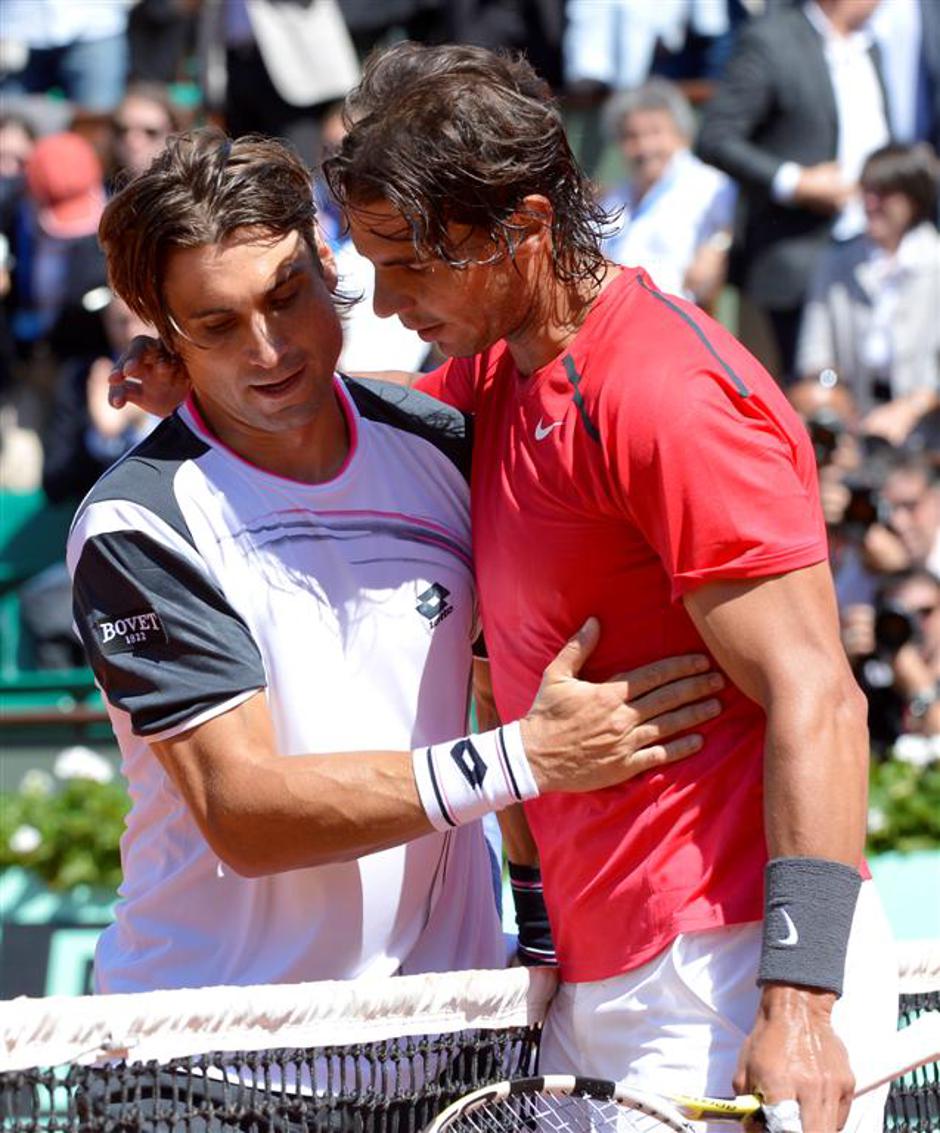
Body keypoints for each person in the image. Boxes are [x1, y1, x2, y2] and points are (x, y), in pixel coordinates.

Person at [114, 44, 898, 1133]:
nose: (384, 295)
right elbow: (359, 406)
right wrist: (203, 377)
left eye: (410, 263)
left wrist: (801, 1001)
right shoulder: (503, 369)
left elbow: (822, 693)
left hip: (722, 975)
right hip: (598, 974)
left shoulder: (671, 395)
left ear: (521, 229)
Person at [82, 128, 724, 995]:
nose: (269, 350)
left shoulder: (445, 442)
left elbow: (508, 680)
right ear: (165, 334)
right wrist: (523, 757)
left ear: (327, 258)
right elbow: (244, 814)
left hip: (442, 1023)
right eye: (217, 325)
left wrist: (539, 933)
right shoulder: (137, 523)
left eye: (285, 295)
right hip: (209, 1059)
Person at [697, 0, 890, 383]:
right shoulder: (772, 39)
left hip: (871, 250)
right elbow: (716, 138)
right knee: (807, 391)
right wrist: (795, 182)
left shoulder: (871, 46)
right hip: (800, 254)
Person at [796, 142, 940, 446]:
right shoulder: (836, 261)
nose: (871, 203)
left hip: (927, 435)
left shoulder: (934, 263)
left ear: (913, 199)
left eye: (883, 194)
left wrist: (911, 407)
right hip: (855, 427)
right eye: (867, 192)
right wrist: (834, 401)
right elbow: (815, 351)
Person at [600, 77, 735, 307]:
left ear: (681, 134)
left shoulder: (709, 185)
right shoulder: (613, 199)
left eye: (655, 132)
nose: (644, 147)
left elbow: (723, 238)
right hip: (612, 317)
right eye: (631, 136)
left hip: (675, 317)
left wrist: (718, 248)